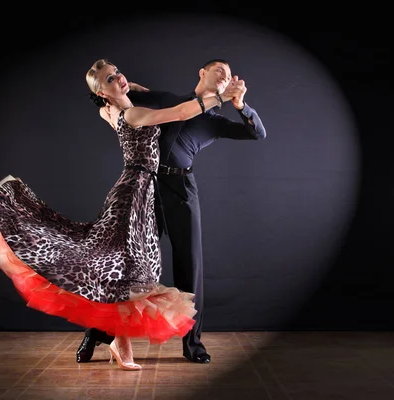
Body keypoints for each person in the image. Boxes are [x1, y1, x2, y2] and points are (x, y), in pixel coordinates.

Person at [0, 58, 239, 371]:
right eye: (110, 79)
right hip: (134, 195)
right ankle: (112, 340)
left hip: (140, 191)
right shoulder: (133, 113)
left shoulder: (112, 109)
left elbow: (118, 98)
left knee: (122, 272)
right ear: (103, 93)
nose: (119, 78)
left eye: (118, 72)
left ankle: (104, 338)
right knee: (125, 272)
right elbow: (181, 113)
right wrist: (222, 97)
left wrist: (127, 88)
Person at [77, 59, 267, 364]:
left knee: (190, 268)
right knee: (130, 270)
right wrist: (121, 92)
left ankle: (193, 345)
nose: (225, 76)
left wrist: (241, 104)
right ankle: (98, 332)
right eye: (219, 70)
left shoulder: (214, 121)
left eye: (230, 76)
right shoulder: (168, 100)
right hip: (146, 188)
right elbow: (120, 93)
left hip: (181, 189)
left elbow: (257, 133)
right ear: (202, 74)